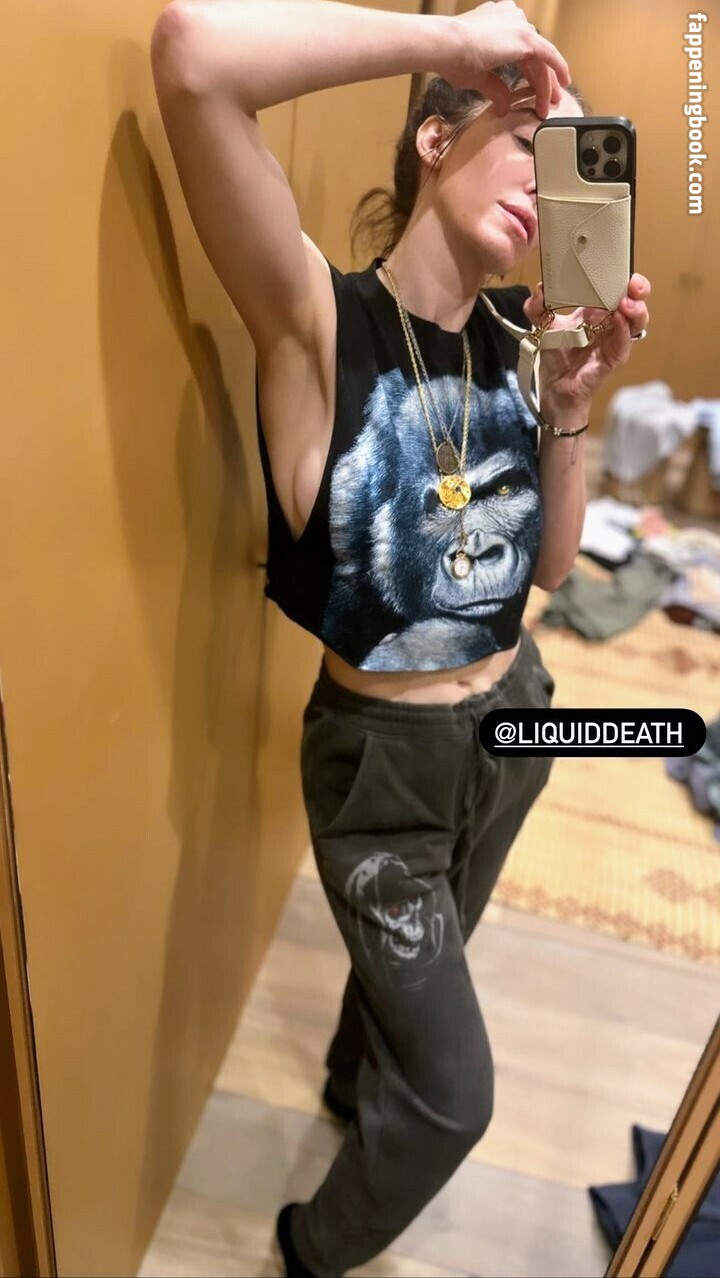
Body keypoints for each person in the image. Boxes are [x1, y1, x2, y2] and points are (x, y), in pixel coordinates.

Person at [150, 3, 651, 1274]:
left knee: (411, 1001)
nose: (545, 187)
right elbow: (194, 58)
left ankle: (344, 1082)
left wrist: (572, 406)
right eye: (526, 143)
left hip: (514, 722)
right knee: (451, 1100)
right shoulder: (320, 322)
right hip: (382, 770)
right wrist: (447, 44)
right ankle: (310, 1250)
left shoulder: (519, 342)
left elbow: (547, 569)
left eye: (564, 167)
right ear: (436, 136)